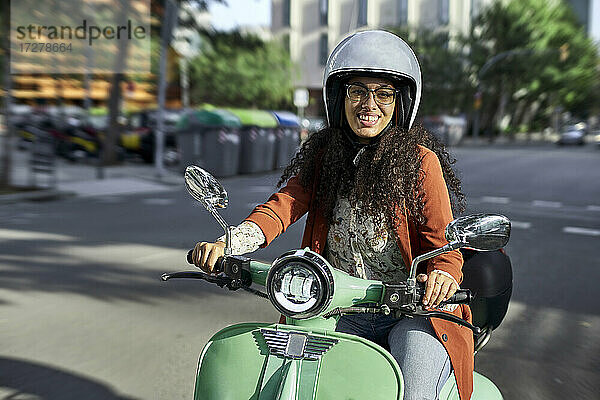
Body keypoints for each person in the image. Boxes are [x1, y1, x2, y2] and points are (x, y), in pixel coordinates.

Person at [191, 30, 473, 400]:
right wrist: (231, 243)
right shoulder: (325, 156)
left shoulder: (420, 164)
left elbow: (444, 244)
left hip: (413, 313)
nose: (368, 104)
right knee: (291, 378)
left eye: (383, 93)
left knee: (415, 392)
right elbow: (283, 206)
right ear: (340, 98)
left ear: (400, 103)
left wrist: (443, 275)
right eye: (357, 91)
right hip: (337, 307)